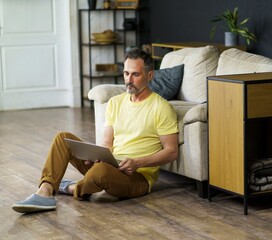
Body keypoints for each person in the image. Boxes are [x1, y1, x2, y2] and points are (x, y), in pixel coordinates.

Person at [12, 49, 179, 214]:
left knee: (100, 173)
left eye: (135, 74)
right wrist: (97, 157)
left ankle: (73, 188)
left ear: (149, 75)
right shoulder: (115, 102)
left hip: (137, 177)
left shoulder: (161, 107)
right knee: (63, 138)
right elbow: (107, 143)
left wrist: (137, 163)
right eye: (126, 73)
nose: (129, 80)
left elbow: (171, 152)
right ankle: (45, 191)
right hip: (111, 165)